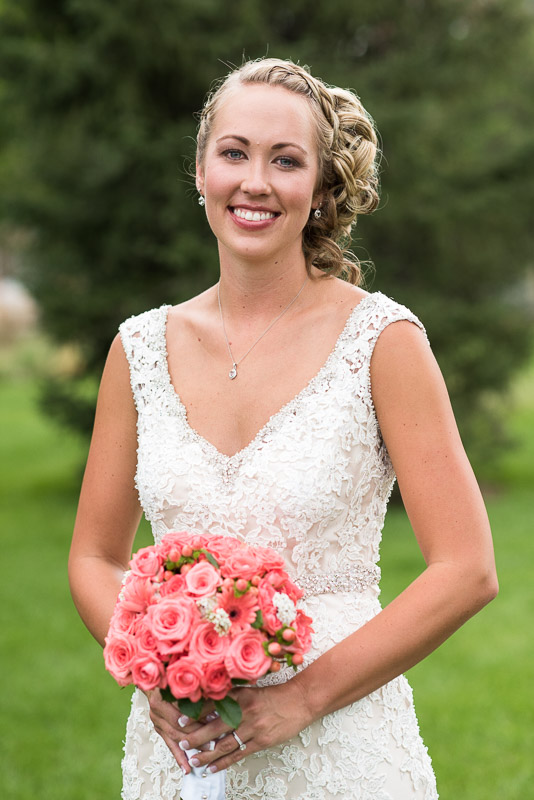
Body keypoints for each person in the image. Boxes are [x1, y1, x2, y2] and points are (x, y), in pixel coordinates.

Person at [68, 57, 498, 800]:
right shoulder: (137, 350)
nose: (255, 181)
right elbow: (95, 556)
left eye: (286, 160)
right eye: (233, 153)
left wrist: (300, 699)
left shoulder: (383, 342)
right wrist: (151, 665)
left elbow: (466, 569)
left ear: (321, 187)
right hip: (183, 755)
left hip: (343, 750)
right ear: (200, 171)